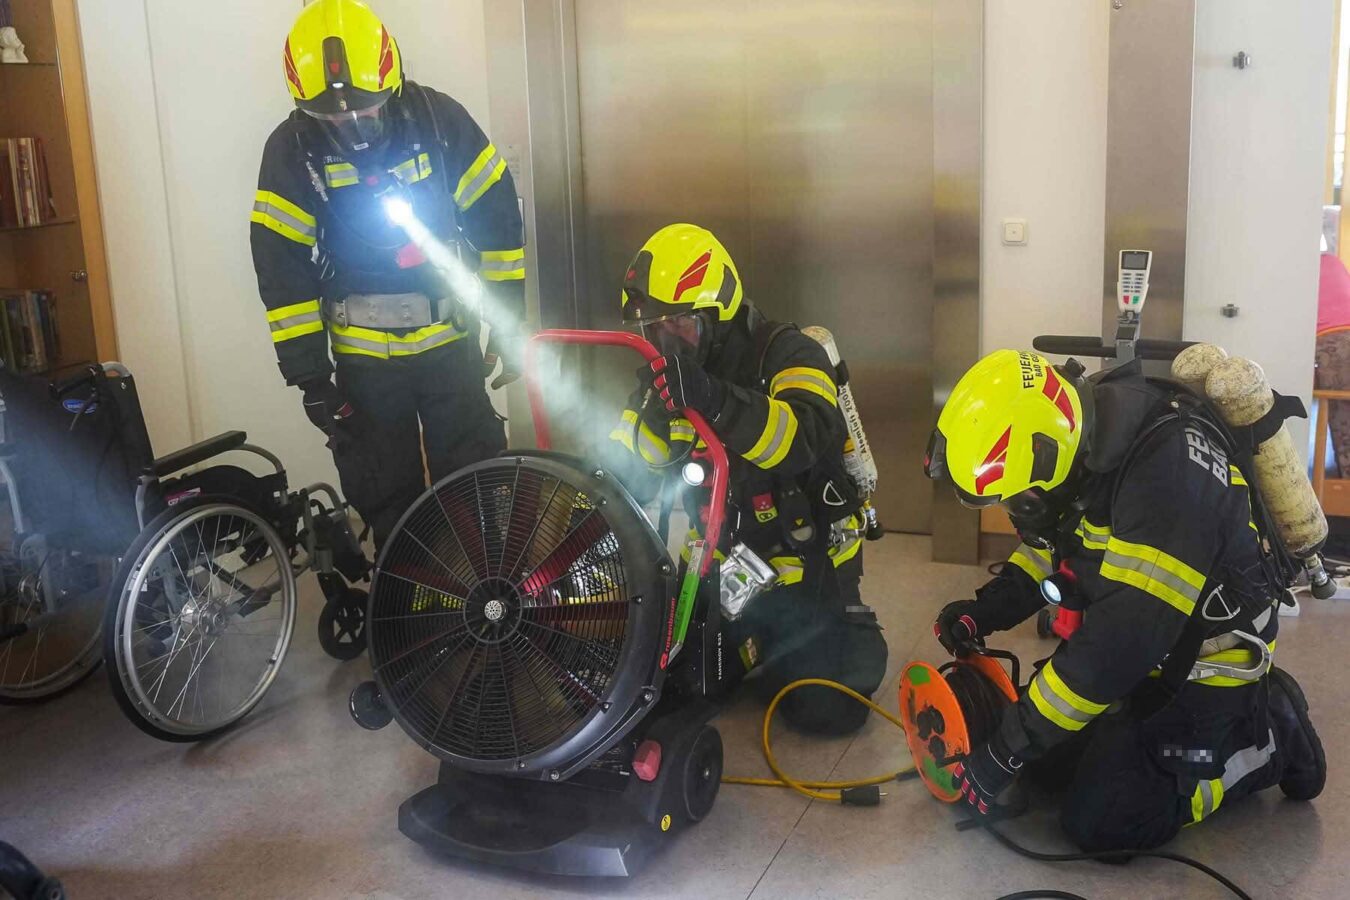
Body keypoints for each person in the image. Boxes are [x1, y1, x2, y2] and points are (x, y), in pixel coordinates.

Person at [924, 349, 1327, 852]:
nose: (1013, 510)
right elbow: (1056, 546)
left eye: (1017, 499)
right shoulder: (1084, 441)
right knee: (1046, 772)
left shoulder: (1168, 479)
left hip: (1207, 662)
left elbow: (1118, 647)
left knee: (1105, 823)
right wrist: (986, 610)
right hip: (1147, 650)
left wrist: (1007, 747)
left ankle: (1270, 739)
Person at [251, 0, 525, 545]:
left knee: (474, 486)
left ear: (393, 82)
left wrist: (509, 323)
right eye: (335, 118)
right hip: (364, 367)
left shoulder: (440, 122)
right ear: (305, 107)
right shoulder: (291, 150)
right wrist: (310, 379)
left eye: (366, 112)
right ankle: (409, 614)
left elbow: (498, 224)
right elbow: (281, 269)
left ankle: (488, 607)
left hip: (450, 348)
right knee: (388, 501)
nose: (354, 127)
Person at [606, 223, 887, 735]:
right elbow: (629, 473)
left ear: (720, 315)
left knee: (827, 710)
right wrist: (649, 419)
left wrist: (713, 399)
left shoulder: (789, 353)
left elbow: (803, 441)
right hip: (714, 572)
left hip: (805, 572)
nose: (666, 343)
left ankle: (825, 634)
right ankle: (745, 647)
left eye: (679, 326)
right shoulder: (668, 378)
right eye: (654, 329)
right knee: (663, 679)